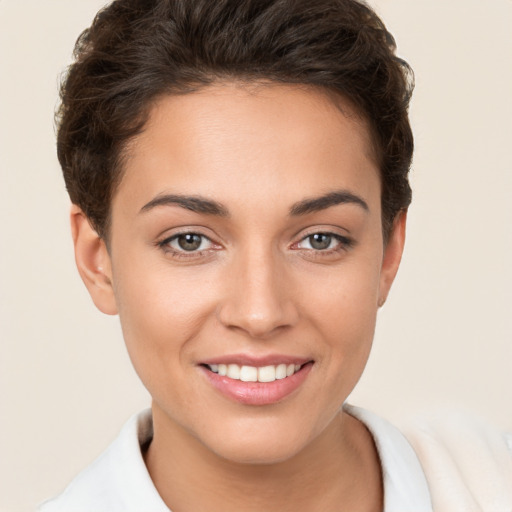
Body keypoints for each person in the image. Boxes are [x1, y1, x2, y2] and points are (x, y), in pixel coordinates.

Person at [38, 0, 512, 511]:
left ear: (387, 252)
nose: (260, 313)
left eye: (320, 239)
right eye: (189, 241)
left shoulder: (489, 480)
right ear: (97, 259)